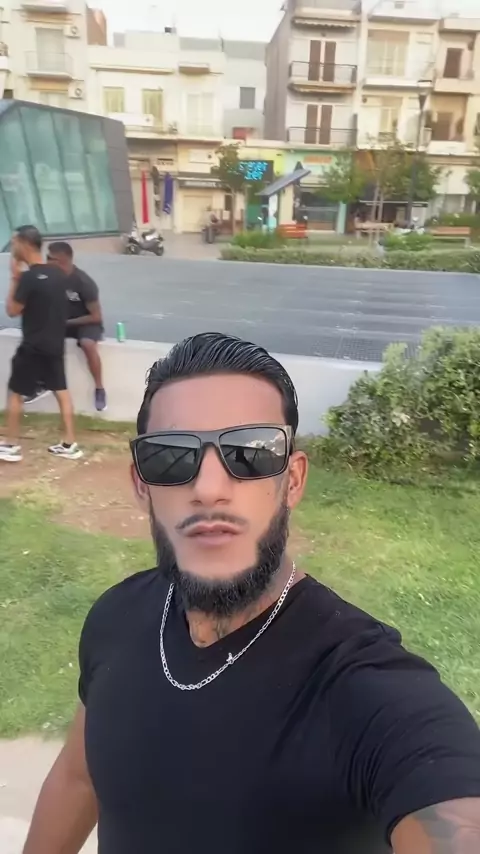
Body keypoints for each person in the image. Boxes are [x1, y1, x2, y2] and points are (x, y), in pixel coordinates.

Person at [23, 332, 480, 854]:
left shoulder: (366, 691)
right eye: (171, 457)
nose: (209, 489)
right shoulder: (116, 618)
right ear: (141, 485)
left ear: (294, 480)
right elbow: (80, 778)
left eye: (251, 452)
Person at [0, 226, 82, 464]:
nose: (13, 247)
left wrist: (15, 278)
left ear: (25, 243)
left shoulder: (28, 277)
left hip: (33, 346)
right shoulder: (59, 275)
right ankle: (69, 444)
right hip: (55, 344)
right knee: (61, 392)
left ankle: (11, 445)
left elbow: (12, 310)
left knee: (16, 393)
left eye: (15, 242)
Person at [47, 242, 107, 412]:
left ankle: (99, 388)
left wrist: (65, 322)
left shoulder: (84, 282)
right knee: (38, 338)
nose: (46, 261)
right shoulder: (50, 279)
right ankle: (42, 383)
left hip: (86, 322)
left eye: (50, 258)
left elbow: (96, 316)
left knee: (88, 344)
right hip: (63, 321)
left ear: (62, 261)